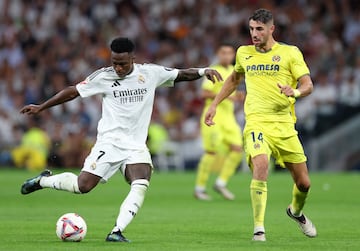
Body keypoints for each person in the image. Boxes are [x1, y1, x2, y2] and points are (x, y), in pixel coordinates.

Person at [20, 37, 222, 242]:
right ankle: (43, 180)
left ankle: (116, 231)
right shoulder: (103, 77)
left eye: (122, 64)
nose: (117, 68)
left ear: (133, 59)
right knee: (83, 187)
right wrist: (42, 106)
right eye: (114, 62)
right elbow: (73, 92)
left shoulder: (150, 73)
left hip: (135, 145)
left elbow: (180, 74)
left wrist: (203, 71)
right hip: (110, 142)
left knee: (141, 182)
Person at [204, 9, 317, 241]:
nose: (254, 34)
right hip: (256, 122)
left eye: (259, 29)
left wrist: (294, 91)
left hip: (284, 125)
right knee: (261, 164)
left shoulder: (289, 52)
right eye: (251, 29)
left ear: (271, 29)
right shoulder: (244, 53)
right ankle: (259, 229)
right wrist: (215, 104)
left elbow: (308, 84)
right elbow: (234, 79)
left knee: (304, 183)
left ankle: (295, 212)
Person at [194, 42, 243, 201]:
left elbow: (234, 95)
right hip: (212, 116)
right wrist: (229, 97)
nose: (226, 56)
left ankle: (221, 183)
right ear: (218, 54)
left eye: (229, 53)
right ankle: (199, 188)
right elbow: (204, 93)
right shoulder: (214, 70)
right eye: (223, 53)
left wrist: (239, 98)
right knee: (211, 152)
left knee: (237, 150)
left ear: (233, 55)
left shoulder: (234, 71)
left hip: (229, 118)